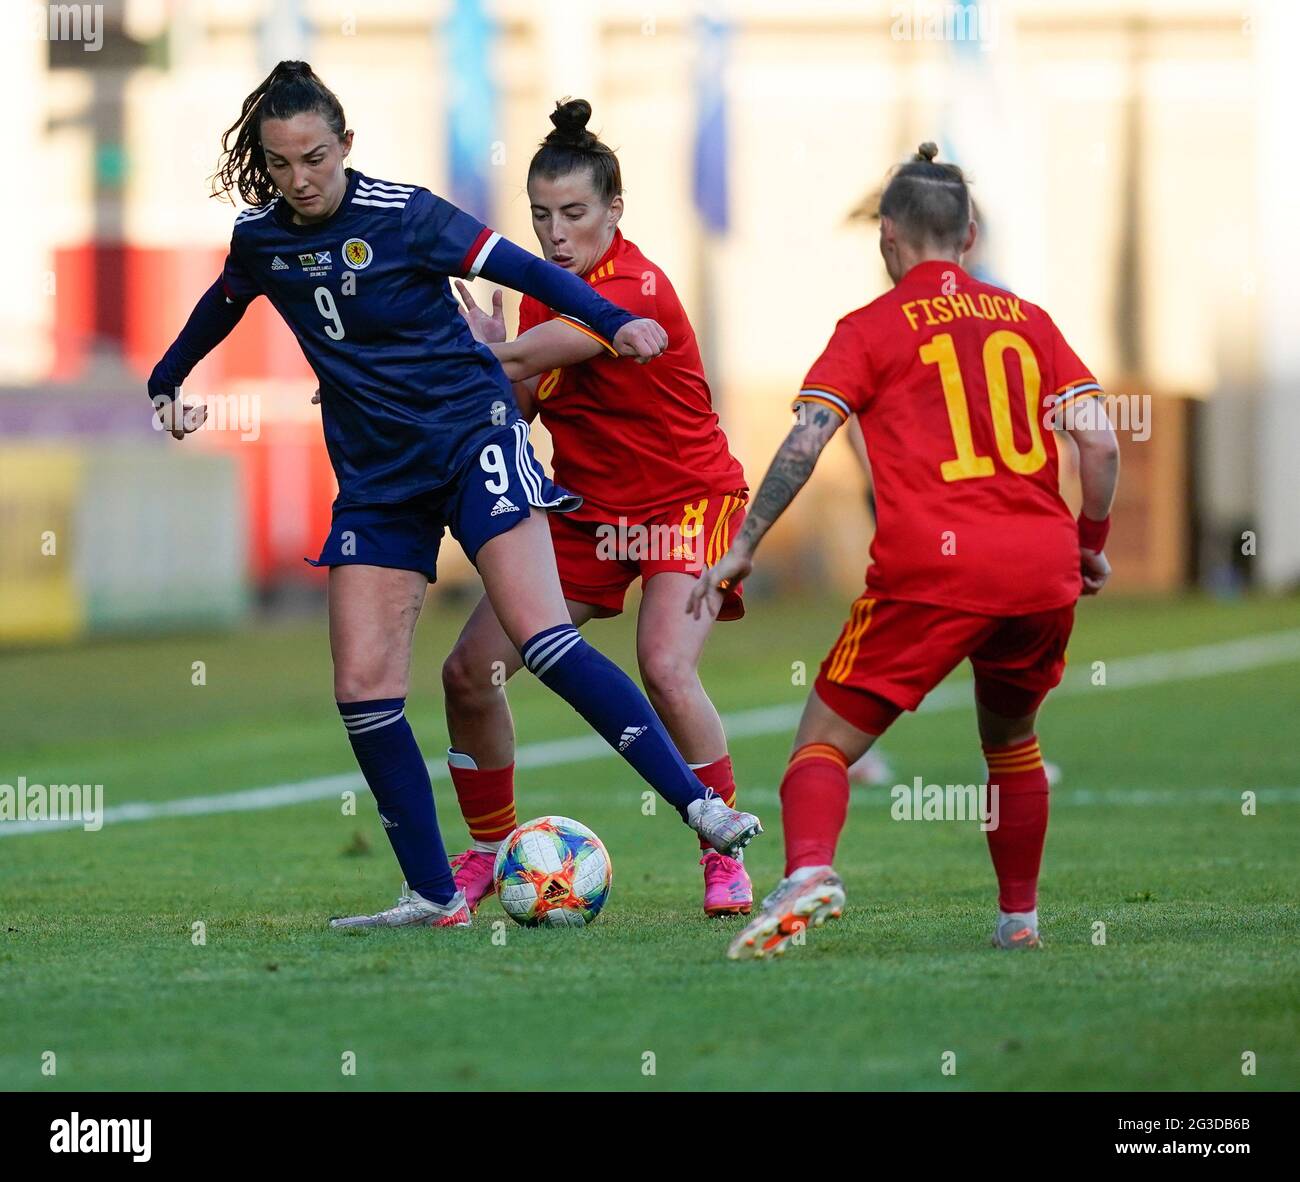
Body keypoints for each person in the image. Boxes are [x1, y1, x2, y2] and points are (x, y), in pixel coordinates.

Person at [148, 62, 761, 932]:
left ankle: (702, 813)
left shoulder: (412, 214)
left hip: (495, 451)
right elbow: (223, 302)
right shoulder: (263, 240)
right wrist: (167, 379)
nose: (300, 178)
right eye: (281, 164)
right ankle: (437, 893)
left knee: (568, 646)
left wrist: (611, 323)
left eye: (315, 157)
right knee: (370, 687)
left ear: (346, 145)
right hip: (389, 476)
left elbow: (520, 285)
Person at [689, 142, 1119, 959]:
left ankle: (811, 871)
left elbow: (807, 439)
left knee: (820, 743)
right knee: (1013, 741)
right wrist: (1089, 544)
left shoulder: (869, 328)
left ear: (888, 237)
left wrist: (743, 544)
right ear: (970, 234)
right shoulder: (1029, 321)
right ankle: (1019, 920)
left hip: (935, 570)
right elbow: (1098, 442)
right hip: (1040, 568)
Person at [443, 99, 754, 917]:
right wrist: (498, 352)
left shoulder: (635, 286)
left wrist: (483, 353)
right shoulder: (542, 299)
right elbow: (516, 408)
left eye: (574, 213)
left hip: (688, 503)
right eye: (541, 216)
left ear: (614, 211)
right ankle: (485, 853)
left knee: (664, 665)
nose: (555, 234)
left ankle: (723, 856)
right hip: (589, 515)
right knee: (469, 674)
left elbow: (549, 349)